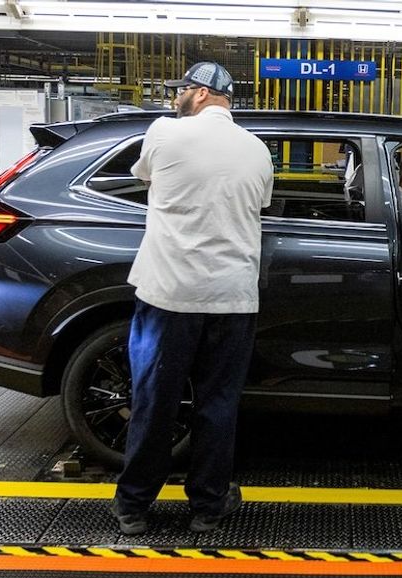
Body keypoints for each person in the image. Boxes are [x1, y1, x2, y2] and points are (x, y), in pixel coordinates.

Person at [111, 61, 274, 536]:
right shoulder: (258, 149)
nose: (176, 97)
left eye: (182, 89)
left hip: (169, 295)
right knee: (218, 404)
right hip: (232, 298)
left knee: (154, 401)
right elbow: (260, 204)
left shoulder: (164, 132)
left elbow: (145, 177)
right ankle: (207, 507)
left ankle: (134, 507)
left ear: (201, 94)